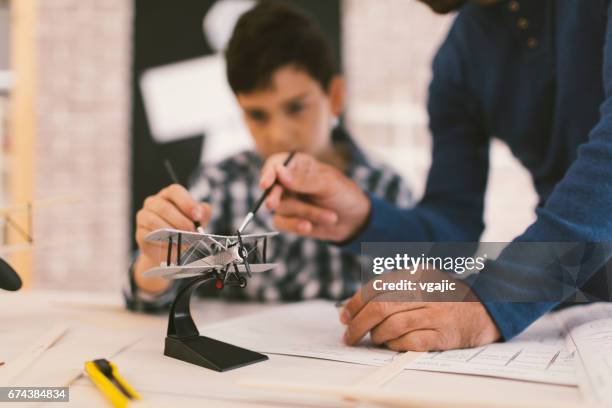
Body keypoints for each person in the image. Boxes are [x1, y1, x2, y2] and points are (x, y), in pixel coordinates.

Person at [259, 0, 612, 351]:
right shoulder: (458, 60)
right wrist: (362, 217)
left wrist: (493, 299)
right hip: (582, 311)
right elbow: (452, 240)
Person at [124, 0, 413, 312]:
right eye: (257, 115)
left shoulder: (387, 188)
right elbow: (149, 305)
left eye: (296, 107)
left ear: (335, 96)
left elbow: (429, 293)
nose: (278, 134)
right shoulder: (220, 184)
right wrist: (155, 261)